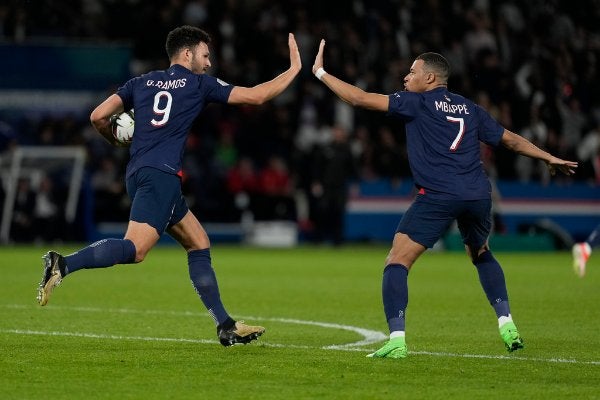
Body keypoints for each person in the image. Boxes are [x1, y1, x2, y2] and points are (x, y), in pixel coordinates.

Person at [37, 25, 301, 347]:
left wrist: (117, 141)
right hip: (160, 177)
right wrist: (292, 70)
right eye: (205, 55)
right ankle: (62, 264)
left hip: (141, 174)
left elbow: (97, 117)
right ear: (187, 53)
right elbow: (258, 95)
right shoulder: (199, 84)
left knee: (199, 243)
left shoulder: (141, 83)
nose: (208, 63)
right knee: (135, 250)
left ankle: (225, 324)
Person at [311, 42, 578, 359]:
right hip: (478, 194)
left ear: (430, 79)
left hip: (439, 195)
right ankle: (506, 322)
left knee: (397, 261)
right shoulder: (470, 108)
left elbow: (358, 98)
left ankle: (397, 340)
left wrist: (321, 72)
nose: (406, 78)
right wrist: (546, 156)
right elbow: (509, 139)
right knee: (480, 253)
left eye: (412, 72)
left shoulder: (416, 103)